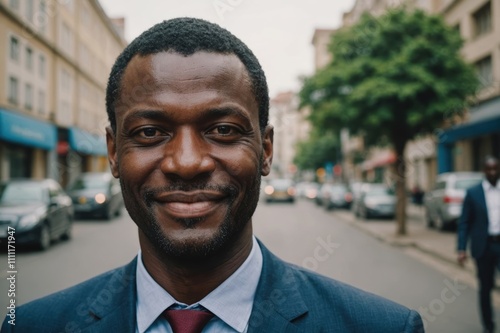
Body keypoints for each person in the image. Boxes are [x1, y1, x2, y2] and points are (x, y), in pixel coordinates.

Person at [2, 18, 423, 333]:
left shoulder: (382, 327)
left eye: (223, 130)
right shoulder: (31, 326)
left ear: (267, 150)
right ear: (113, 152)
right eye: (150, 132)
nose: (187, 163)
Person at [458, 156, 500, 333]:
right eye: (488, 169)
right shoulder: (473, 193)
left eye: (495, 169)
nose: (492, 172)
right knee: (485, 288)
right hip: (483, 247)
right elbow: (464, 222)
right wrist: (461, 248)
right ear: (484, 171)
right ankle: (488, 326)